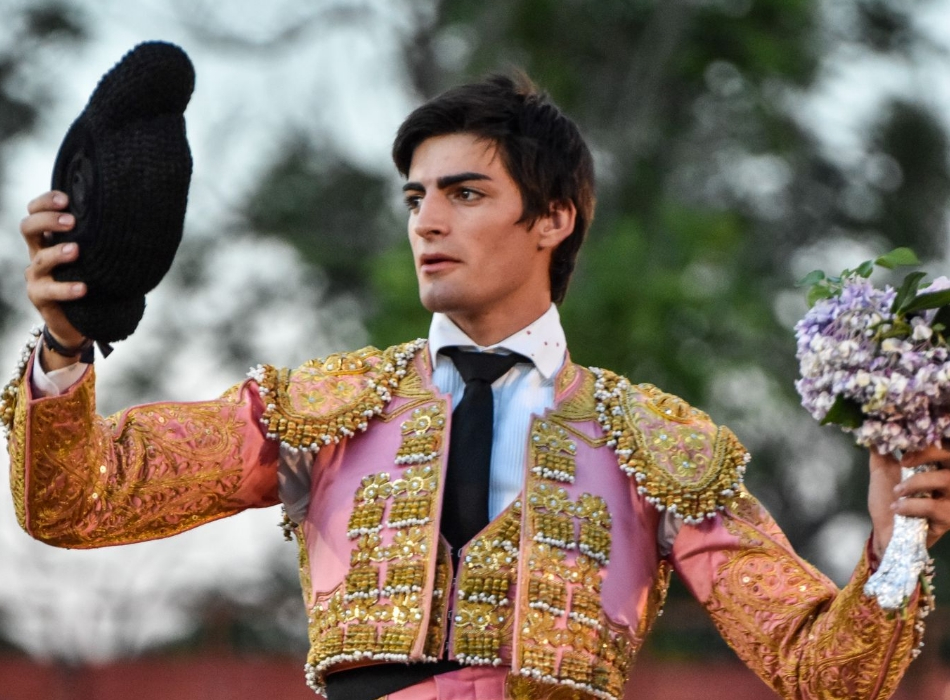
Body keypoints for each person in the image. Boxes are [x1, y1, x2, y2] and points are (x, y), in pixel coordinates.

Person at [7, 73, 950, 700]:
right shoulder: (318, 408)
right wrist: (63, 343)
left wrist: (898, 537)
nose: (427, 221)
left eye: (465, 193)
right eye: (416, 198)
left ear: (553, 218)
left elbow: (832, 675)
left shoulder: (657, 443)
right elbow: (76, 501)